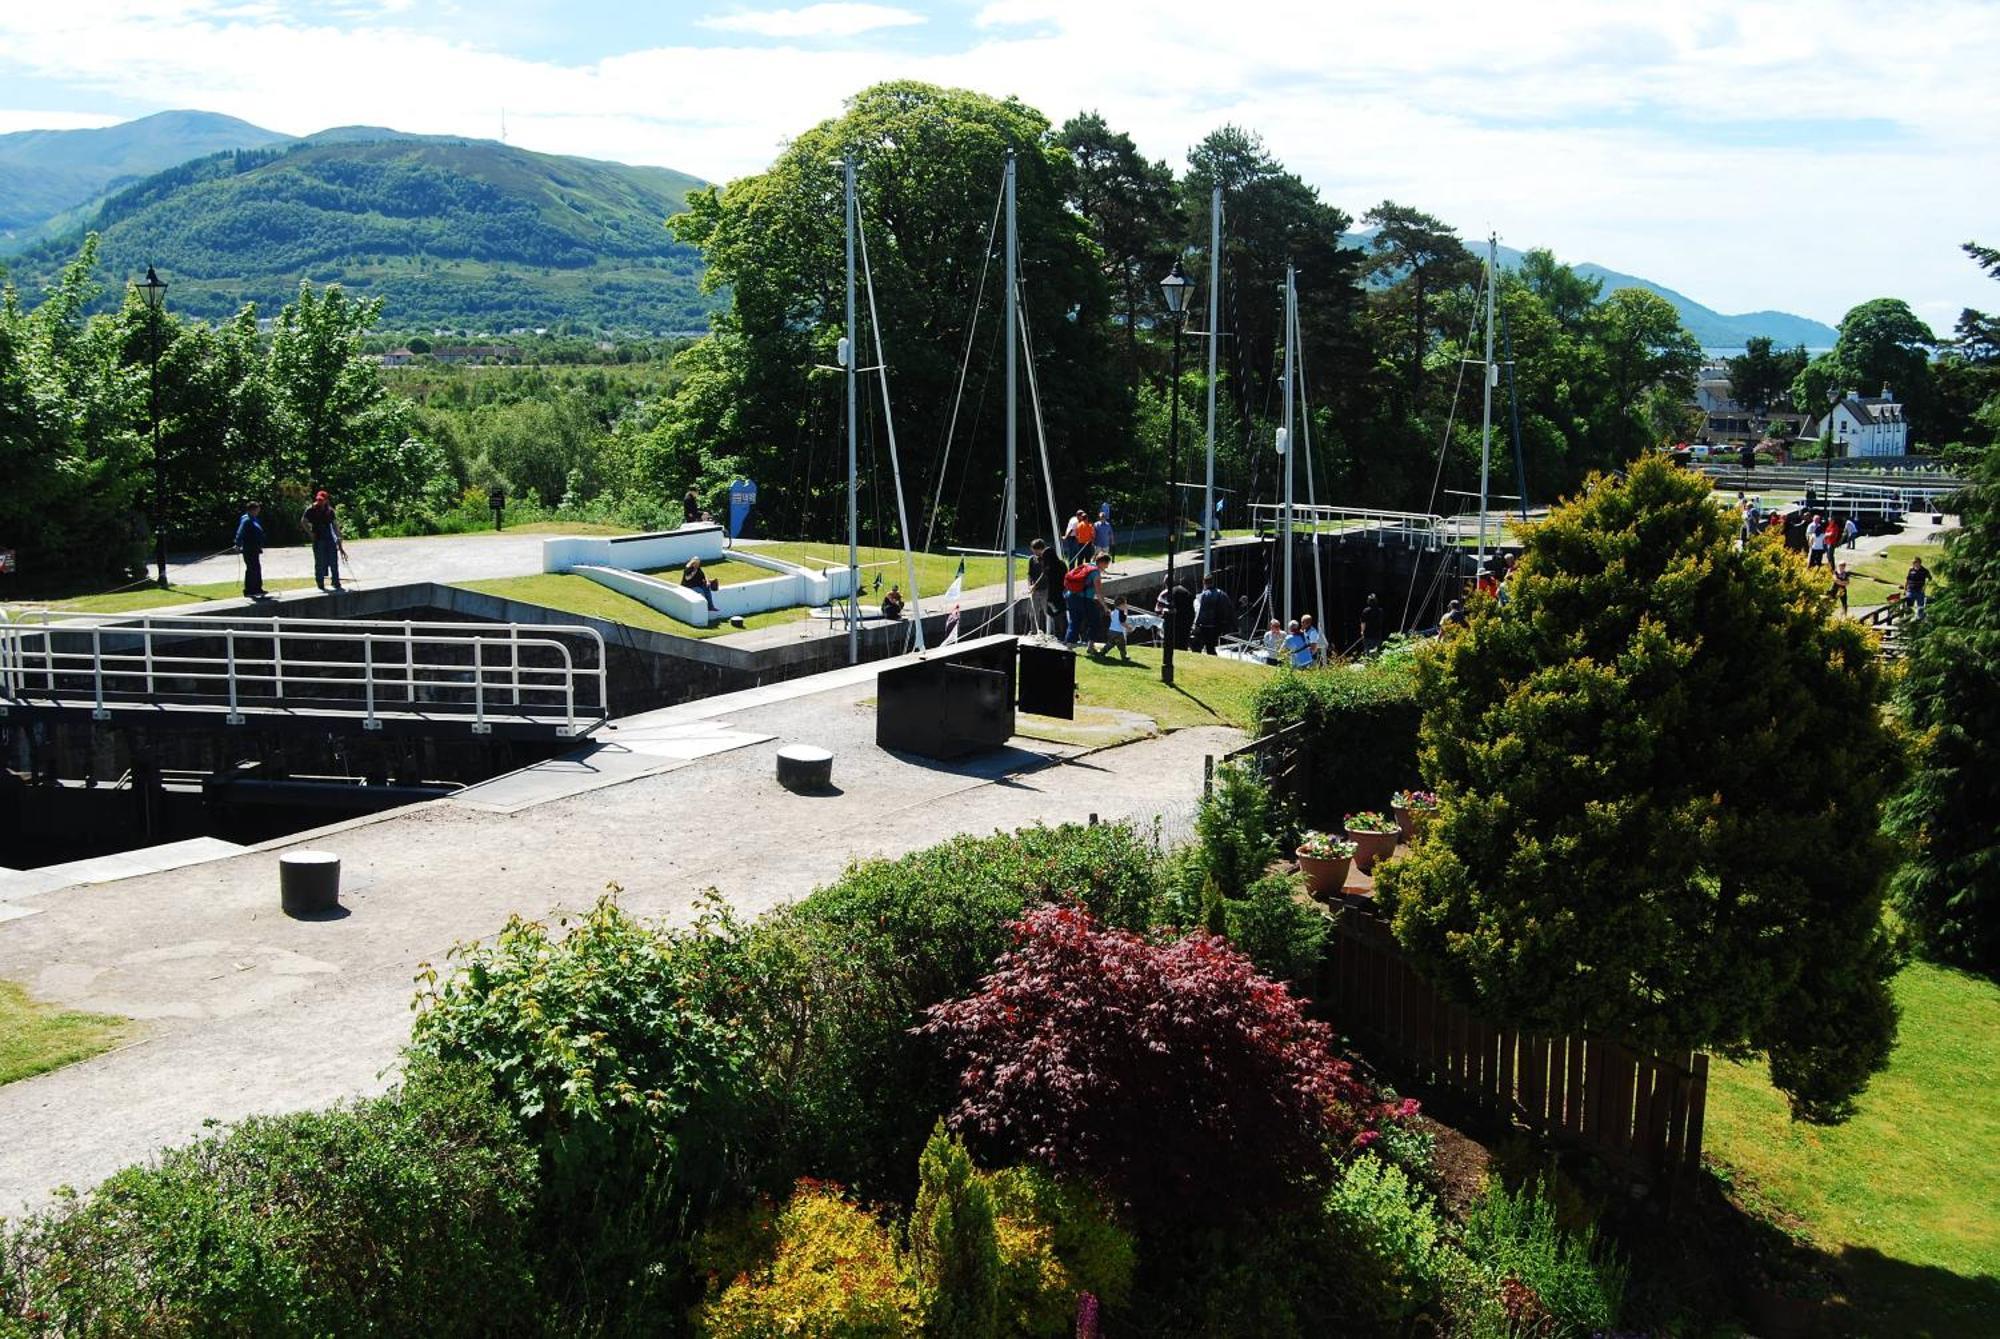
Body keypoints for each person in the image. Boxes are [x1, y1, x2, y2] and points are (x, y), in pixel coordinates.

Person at [302, 489, 343, 592]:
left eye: (322, 500)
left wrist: (338, 537)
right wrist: (310, 533)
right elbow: (303, 521)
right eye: (318, 499)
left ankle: (335, 581)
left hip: (329, 538)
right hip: (318, 538)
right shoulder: (311, 509)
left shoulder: (330, 511)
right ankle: (320, 583)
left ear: (326, 500)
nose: (319, 501)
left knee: (333, 561)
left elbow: (334, 525)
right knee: (319, 562)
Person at [1028, 538, 1064, 636]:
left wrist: (1035, 585)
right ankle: (1034, 631)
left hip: (1046, 589)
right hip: (1034, 590)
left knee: (1048, 612)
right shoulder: (1032, 559)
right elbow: (1030, 574)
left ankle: (1051, 633)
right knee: (1033, 613)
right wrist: (1030, 585)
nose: (1035, 553)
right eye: (1033, 551)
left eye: (1036, 550)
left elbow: (1045, 574)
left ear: (1040, 549)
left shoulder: (1048, 559)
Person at [1191, 575, 1233, 655]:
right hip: (1216, 627)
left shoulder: (1202, 595)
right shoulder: (1222, 594)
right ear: (1213, 582)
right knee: (1211, 648)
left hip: (1204, 626)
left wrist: (1195, 625)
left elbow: (1199, 611)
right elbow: (1228, 609)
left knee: (1197, 648)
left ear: (1204, 583)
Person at [233, 501, 267, 598]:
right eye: (257, 509)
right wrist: (237, 544)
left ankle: (257, 589)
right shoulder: (246, 520)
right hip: (249, 548)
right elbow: (240, 532)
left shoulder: (254, 518)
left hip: (255, 548)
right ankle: (249, 590)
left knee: (256, 568)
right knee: (252, 568)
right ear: (252, 510)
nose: (258, 511)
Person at [1106, 596, 1132, 660]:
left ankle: (1102, 652)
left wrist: (1126, 610)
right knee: (1122, 645)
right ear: (1121, 605)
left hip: (1111, 631)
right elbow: (1122, 622)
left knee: (1110, 643)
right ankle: (1124, 656)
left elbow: (1112, 616)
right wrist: (1128, 627)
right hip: (1118, 633)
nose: (1126, 606)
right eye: (1125, 604)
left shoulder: (1114, 611)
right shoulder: (1121, 613)